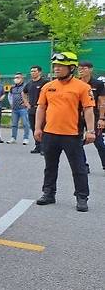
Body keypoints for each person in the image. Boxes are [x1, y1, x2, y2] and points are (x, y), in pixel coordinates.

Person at [34, 52, 95, 212]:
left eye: (60, 66)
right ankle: (48, 193)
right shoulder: (48, 86)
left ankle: (82, 197)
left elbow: (88, 110)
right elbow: (41, 108)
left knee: (78, 168)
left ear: (72, 68)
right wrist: (37, 128)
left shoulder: (83, 87)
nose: (56, 69)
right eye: (55, 66)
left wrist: (91, 131)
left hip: (72, 135)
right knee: (50, 166)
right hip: (50, 133)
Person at [78, 60, 105, 173]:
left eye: (84, 68)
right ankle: (84, 165)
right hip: (78, 116)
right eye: (79, 68)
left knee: (99, 143)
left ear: (90, 69)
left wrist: (102, 118)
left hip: (93, 115)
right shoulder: (76, 83)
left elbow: (102, 102)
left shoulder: (97, 84)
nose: (81, 70)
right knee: (77, 143)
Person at [23, 65, 49, 154]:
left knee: (42, 128)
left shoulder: (45, 82)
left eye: (35, 71)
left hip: (42, 110)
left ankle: (44, 148)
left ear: (39, 72)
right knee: (34, 128)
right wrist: (26, 103)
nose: (33, 73)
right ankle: (37, 146)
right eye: (32, 71)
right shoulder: (29, 83)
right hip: (32, 109)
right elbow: (23, 92)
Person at [7, 72, 30, 144]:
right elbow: (10, 95)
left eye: (18, 77)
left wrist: (26, 103)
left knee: (25, 124)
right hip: (14, 109)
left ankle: (26, 138)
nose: (16, 79)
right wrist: (11, 103)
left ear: (22, 79)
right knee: (14, 124)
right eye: (15, 78)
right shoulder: (12, 87)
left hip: (23, 108)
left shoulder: (25, 86)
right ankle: (13, 138)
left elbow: (29, 95)